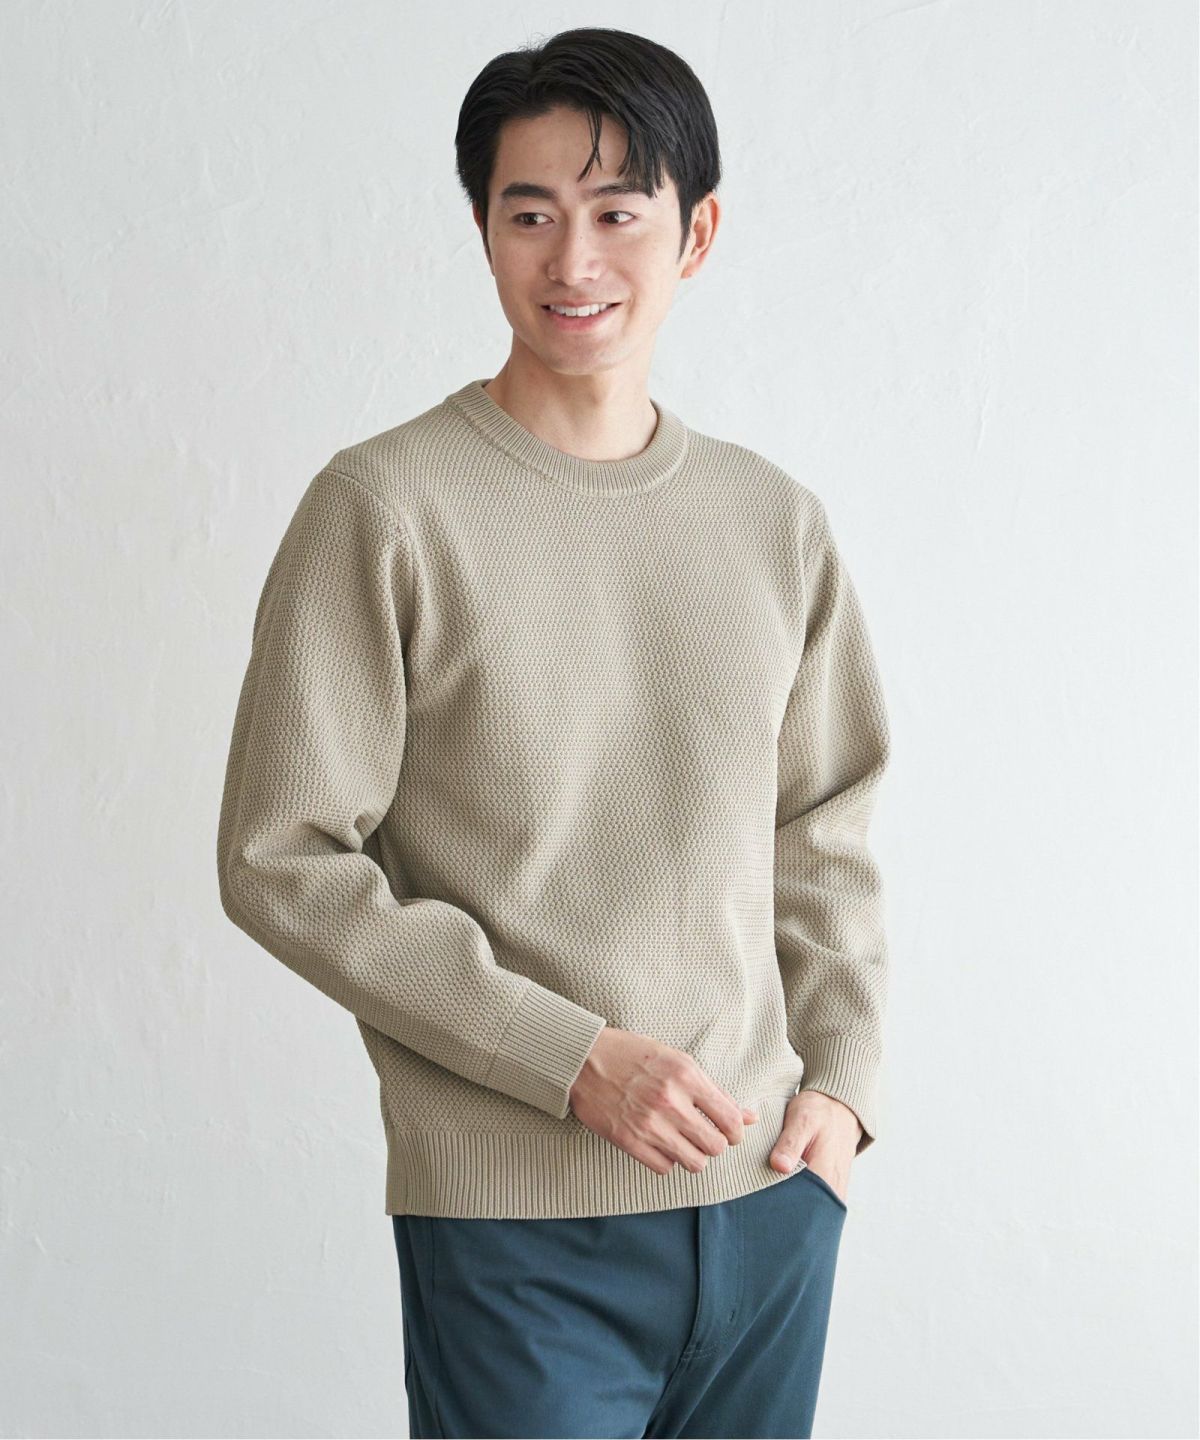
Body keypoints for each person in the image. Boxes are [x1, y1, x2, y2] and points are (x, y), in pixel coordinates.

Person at [216, 24, 891, 1440]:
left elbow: (823, 830)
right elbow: (283, 858)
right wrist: (573, 1057)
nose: (572, 259)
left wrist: (840, 1090)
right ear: (482, 229)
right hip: (517, 1227)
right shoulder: (385, 507)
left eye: (617, 211)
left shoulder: (773, 523)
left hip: (769, 1205)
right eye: (529, 214)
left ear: (697, 233)